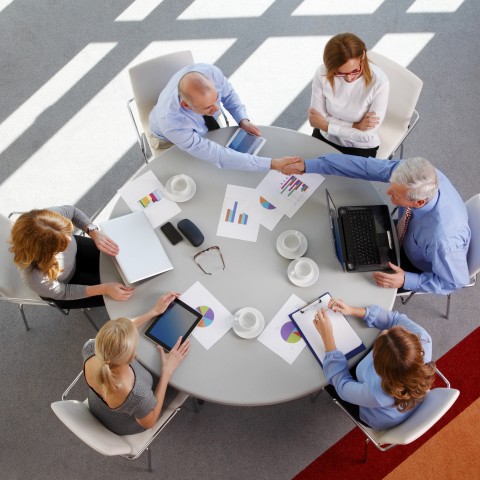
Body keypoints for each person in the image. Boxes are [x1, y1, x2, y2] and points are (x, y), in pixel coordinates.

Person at [278, 155, 470, 295]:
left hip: (414, 265)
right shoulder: (420, 174)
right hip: (400, 233)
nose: (387, 193)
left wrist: (407, 280)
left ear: (418, 202)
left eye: (395, 194)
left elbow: (454, 282)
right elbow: (365, 167)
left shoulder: (443, 241)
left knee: (344, 284)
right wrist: (310, 165)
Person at [149, 63, 300, 171]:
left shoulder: (210, 72)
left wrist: (242, 119)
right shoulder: (173, 124)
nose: (216, 109)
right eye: (208, 107)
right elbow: (218, 155)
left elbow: (228, 95)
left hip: (197, 127)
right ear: (186, 106)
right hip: (167, 140)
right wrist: (271, 164)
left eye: (216, 99)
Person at [314, 297, 436, 429]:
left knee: (322, 375)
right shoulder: (423, 339)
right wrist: (353, 310)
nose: (384, 331)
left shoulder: (376, 394)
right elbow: (394, 319)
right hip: (404, 398)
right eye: (390, 331)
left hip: (378, 415)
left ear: (378, 366)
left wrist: (328, 339)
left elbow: (342, 387)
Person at [83, 292, 190, 435]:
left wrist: (154, 312)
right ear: (132, 357)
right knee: (181, 383)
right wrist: (167, 371)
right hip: (121, 423)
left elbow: (118, 335)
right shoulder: (137, 395)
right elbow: (150, 422)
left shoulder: (91, 347)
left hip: (96, 403)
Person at [9, 205, 134, 309]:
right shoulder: (34, 277)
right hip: (67, 285)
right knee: (125, 294)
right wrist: (105, 289)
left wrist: (93, 231)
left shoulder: (48, 220)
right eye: (61, 245)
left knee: (123, 259)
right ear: (47, 252)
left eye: (68, 233)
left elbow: (72, 212)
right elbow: (64, 292)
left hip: (77, 253)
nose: (70, 239)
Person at [309, 33, 389, 158]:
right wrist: (355, 126)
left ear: (362, 55)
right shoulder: (322, 73)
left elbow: (366, 136)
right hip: (325, 138)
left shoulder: (380, 82)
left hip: (359, 147)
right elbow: (315, 120)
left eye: (355, 71)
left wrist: (326, 125)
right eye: (339, 73)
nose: (349, 78)